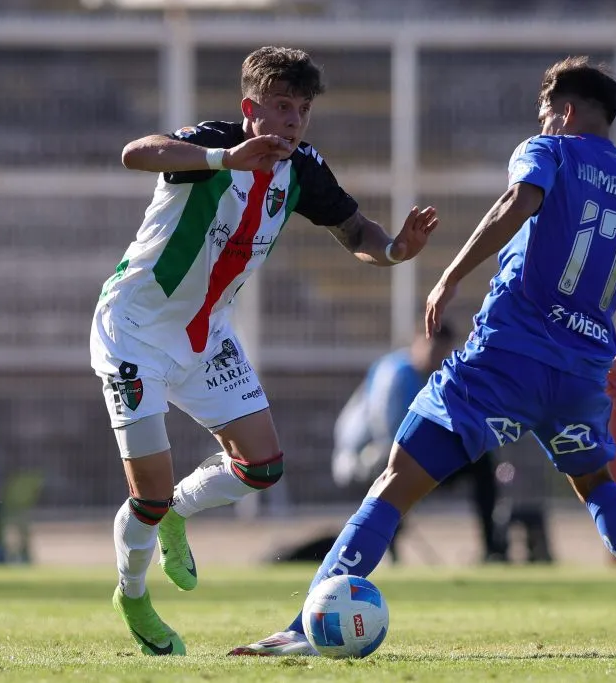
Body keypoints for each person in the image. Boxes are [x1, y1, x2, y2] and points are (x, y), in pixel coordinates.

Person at [231, 56, 616, 657]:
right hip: (584, 372)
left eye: (546, 114)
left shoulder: (550, 150)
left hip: (504, 359)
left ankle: (305, 629)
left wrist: (450, 276)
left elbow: (517, 202)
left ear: (562, 111)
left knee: (395, 482)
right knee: (595, 483)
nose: (543, 122)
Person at [90, 46, 439, 656]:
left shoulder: (302, 167)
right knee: (146, 491)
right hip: (133, 330)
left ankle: (178, 512)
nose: (294, 120)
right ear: (251, 108)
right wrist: (222, 157)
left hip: (206, 334)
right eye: (282, 106)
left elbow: (354, 230)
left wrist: (393, 252)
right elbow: (135, 153)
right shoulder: (214, 143)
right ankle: (134, 595)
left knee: (263, 466)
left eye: (303, 109)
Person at [332, 322, 511, 563]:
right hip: (366, 456)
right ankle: (384, 551)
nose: (437, 356)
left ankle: (492, 549)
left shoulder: (441, 375)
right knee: (395, 463)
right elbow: (388, 434)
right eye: (433, 349)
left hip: (416, 454)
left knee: (481, 462)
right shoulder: (395, 374)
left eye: (442, 351)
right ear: (418, 344)